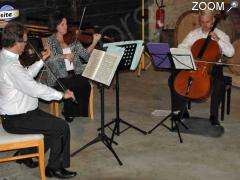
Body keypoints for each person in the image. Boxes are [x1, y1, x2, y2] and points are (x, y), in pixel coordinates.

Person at [0, 22, 77, 179]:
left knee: (53, 127)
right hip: (17, 118)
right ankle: (54, 168)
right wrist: (61, 95)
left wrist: (41, 61)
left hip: (23, 113)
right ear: (16, 43)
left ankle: (26, 154)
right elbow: (34, 88)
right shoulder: (10, 66)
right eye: (25, 41)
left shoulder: (6, 57)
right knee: (61, 127)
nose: (27, 44)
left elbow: (24, 76)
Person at [168, 10, 235, 126]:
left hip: (213, 66)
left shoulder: (222, 35)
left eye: (207, 22)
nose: (205, 25)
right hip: (194, 64)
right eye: (202, 22)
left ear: (213, 20)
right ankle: (182, 111)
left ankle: (213, 115)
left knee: (219, 83)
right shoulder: (194, 34)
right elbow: (181, 46)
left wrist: (218, 40)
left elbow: (230, 52)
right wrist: (190, 54)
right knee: (173, 79)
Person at [45, 13, 101, 122]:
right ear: (55, 26)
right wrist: (63, 56)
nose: (66, 27)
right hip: (58, 76)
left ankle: (76, 111)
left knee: (85, 85)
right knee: (69, 85)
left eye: (66, 24)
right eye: (62, 24)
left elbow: (85, 54)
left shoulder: (73, 40)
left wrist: (94, 42)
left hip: (75, 72)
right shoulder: (50, 41)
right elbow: (49, 60)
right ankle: (69, 112)